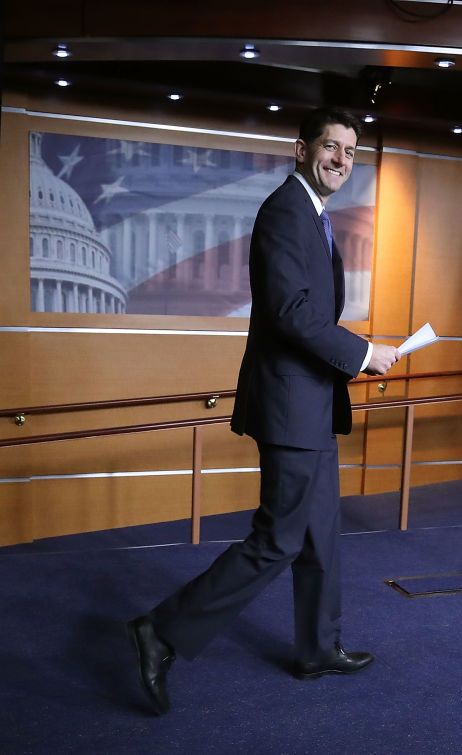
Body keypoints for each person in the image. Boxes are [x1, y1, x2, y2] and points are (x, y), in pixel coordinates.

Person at [127, 107, 399, 715]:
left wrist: (356, 352)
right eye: (331, 147)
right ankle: (161, 631)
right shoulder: (283, 211)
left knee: (321, 535)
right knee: (277, 540)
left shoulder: (313, 216)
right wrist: (362, 352)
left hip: (313, 403)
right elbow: (292, 313)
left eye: (351, 152)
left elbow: (308, 316)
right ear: (301, 149)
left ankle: (317, 649)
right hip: (289, 406)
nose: (341, 160)